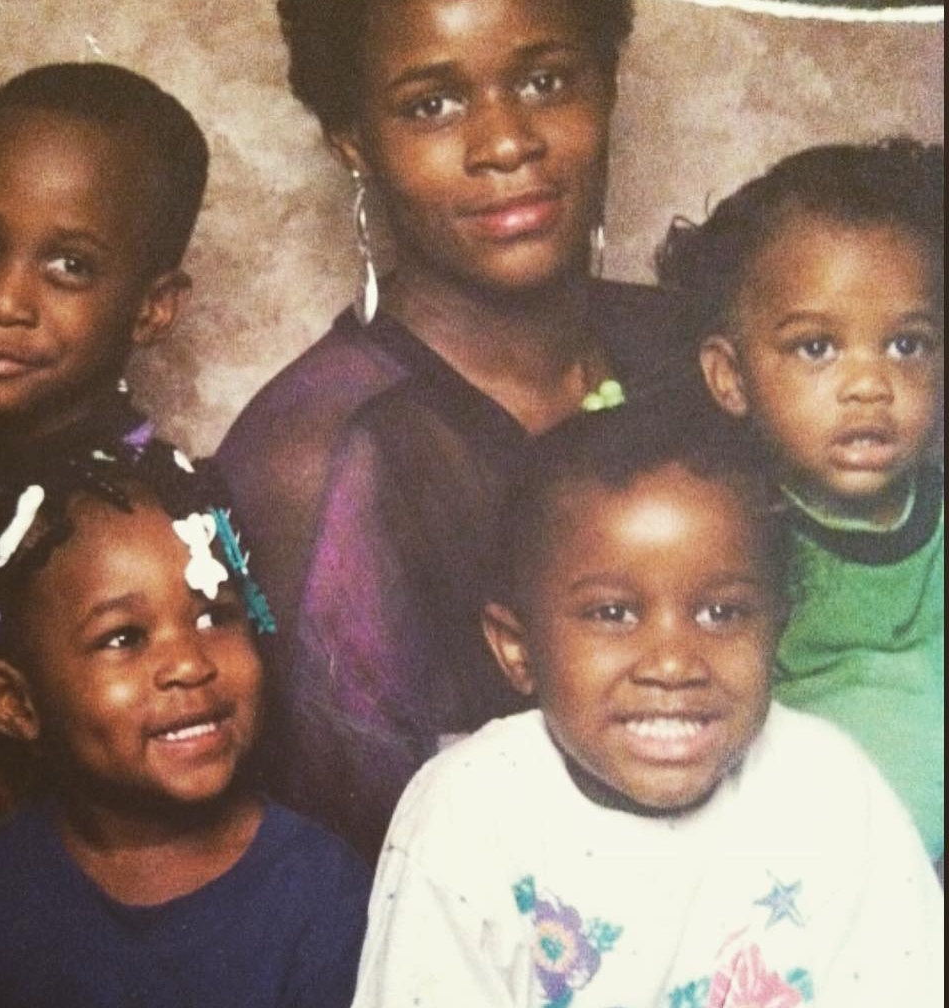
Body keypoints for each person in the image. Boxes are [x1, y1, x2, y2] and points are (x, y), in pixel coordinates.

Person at [216, 0, 703, 862]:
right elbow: (366, 880)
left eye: (546, 80)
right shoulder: (320, 459)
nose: (507, 143)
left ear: (610, 87)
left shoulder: (700, 356)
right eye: (432, 104)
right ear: (353, 141)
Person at [351, 404, 943, 1007]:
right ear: (518, 649)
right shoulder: (467, 814)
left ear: (776, 631)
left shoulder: (830, 788)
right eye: (614, 614)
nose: (672, 664)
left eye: (722, 613)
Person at [0, 62, 210, 933]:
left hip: (49, 940)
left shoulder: (132, 521)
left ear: (151, 310)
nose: (2, 301)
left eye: (69, 265)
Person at [0, 442, 369, 1007]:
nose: (190, 663)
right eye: (124, 637)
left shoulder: (320, 893)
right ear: (16, 703)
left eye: (216, 616)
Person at [655, 139, 944, 863]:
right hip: (807, 883)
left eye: (907, 346)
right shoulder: (739, 538)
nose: (869, 385)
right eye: (817, 348)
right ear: (732, 377)